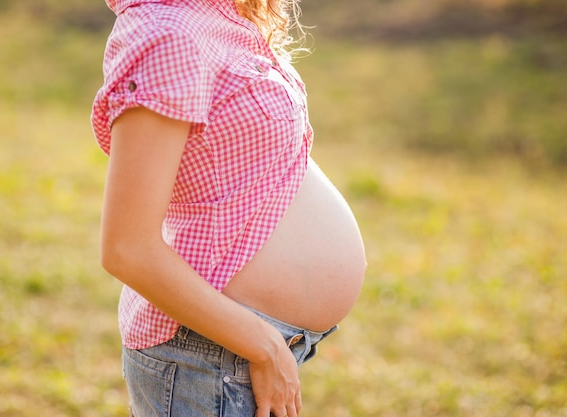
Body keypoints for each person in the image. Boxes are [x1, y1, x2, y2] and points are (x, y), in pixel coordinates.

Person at [91, 0, 367, 416]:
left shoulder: (220, 15)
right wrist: (263, 345)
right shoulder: (167, 32)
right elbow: (127, 249)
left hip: (234, 351)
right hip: (210, 356)